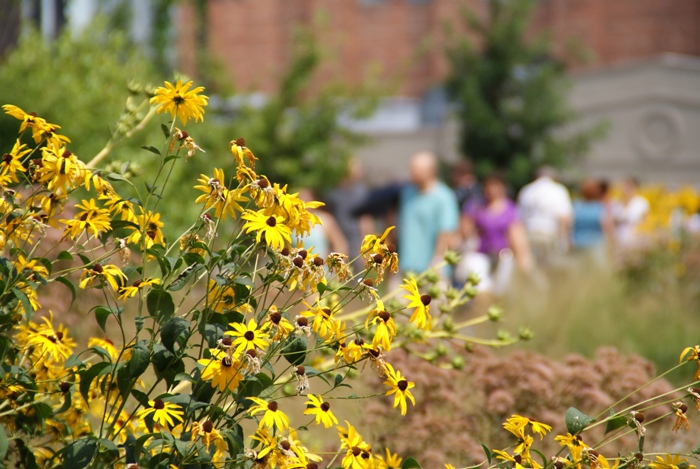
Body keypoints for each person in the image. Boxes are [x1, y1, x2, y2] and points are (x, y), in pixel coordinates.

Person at [460, 173, 532, 294]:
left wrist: (524, 260)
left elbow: (517, 236)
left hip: (503, 256)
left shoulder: (510, 210)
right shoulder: (478, 207)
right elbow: (465, 228)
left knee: (500, 291)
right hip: (482, 253)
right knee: (480, 287)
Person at [397, 152, 459, 274]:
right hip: (407, 266)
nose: (412, 172)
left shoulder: (444, 197)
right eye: (411, 168)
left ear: (431, 171)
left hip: (432, 269)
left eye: (416, 169)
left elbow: (446, 232)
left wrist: (437, 261)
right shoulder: (406, 193)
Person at [517, 167, 573, 269]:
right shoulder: (558, 190)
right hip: (550, 232)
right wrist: (564, 240)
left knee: (534, 267)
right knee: (551, 267)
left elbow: (519, 218)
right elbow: (564, 217)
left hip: (529, 232)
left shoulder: (526, 190)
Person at [325, 158, 373, 261]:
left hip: (355, 239)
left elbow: (366, 220)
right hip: (337, 236)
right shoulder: (333, 191)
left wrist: (366, 246)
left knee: (354, 270)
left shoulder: (361, 192)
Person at [571, 178, 613, 266]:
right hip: (596, 244)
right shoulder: (600, 207)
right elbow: (607, 227)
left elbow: (570, 225)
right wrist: (612, 244)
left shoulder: (576, 206)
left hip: (578, 243)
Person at [295, 188, 348, 258]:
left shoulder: (324, 220)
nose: (303, 203)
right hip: (295, 267)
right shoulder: (293, 221)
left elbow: (340, 244)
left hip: (321, 266)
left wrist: (336, 264)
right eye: (300, 199)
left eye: (306, 199)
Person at [611, 177, 649, 249]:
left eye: (629, 186)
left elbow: (646, 221)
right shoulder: (617, 203)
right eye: (624, 186)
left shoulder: (641, 202)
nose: (625, 189)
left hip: (635, 239)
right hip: (619, 238)